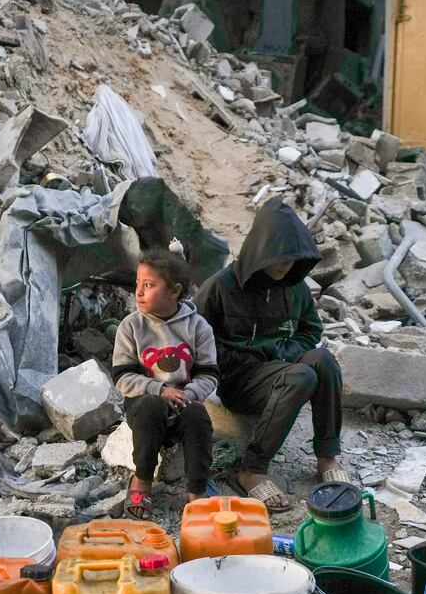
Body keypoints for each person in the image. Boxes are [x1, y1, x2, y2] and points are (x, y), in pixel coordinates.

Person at [195, 199, 347, 513]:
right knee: (302, 375)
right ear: (260, 250)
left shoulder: (295, 288)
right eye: (279, 257)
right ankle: (252, 469)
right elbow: (193, 336)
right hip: (238, 380)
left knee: (324, 360)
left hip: (278, 369)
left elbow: (310, 331)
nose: (285, 265)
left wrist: (281, 351)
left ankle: (327, 456)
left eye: (293, 258)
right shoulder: (220, 288)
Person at [111, 248, 218, 519]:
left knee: (198, 417)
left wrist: (189, 394)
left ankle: (196, 492)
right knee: (150, 408)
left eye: (148, 285)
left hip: (184, 401)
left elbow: (209, 374)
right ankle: (143, 479)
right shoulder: (131, 326)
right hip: (145, 401)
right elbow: (123, 377)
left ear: (173, 291)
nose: (139, 292)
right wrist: (159, 390)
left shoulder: (198, 327)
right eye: (137, 284)